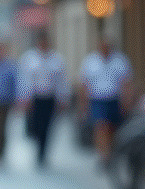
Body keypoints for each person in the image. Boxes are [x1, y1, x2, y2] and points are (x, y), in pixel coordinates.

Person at [78, 36, 133, 169]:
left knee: (112, 128)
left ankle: (110, 152)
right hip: (97, 99)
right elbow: (84, 84)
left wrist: (126, 101)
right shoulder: (90, 61)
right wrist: (83, 105)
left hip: (114, 99)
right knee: (101, 127)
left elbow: (126, 83)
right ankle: (103, 155)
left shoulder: (120, 60)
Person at [17, 30, 69, 168]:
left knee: (47, 126)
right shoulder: (29, 58)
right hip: (35, 98)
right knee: (36, 126)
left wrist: (63, 97)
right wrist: (23, 97)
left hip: (49, 98)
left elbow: (61, 81)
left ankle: (42, 153)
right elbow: (24, 79)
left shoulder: (57, 59)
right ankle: (38, 145)